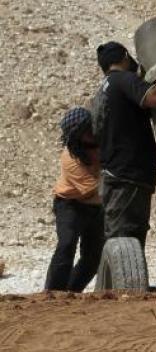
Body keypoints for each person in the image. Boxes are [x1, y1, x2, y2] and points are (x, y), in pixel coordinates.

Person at [94, 41, 156, 248]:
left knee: (121, 239)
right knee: (126, 241)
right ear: (125, 57)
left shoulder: (104, 89)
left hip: (117, 173)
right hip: (128, 174)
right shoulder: (123, 80)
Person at [44, 108, 104, 292]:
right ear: (78, 136)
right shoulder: (70, 158)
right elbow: (92, 190)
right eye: (87, 131)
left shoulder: (99, 141)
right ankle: (52, 294)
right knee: (66, 245)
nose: (92, 133)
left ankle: (72, 292)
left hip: (96, 207)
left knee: (93, 258)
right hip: (70, 204)